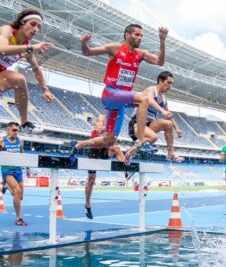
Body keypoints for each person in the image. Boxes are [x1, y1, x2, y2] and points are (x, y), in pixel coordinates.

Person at [69, 24, 168, 163]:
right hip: (110, 93)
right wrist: (84, 43)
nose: (140, 38)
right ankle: (141, 141)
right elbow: (88, 52)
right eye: (137, 34)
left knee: (109, 140)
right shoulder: (114, 48)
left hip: (121, 102)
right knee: (143, 100)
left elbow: (160, 62)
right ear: (127, 35)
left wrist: (162, 40)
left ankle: (78, 145)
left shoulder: (140, 54)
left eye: (141, 36)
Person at [0, 8, 54, 134]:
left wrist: (45, 89)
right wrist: (31, 48)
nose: (36, 29)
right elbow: (1, 49)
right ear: (22, 23)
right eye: (33, 24)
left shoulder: (26, 45)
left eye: (39, 27)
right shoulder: (7, 30)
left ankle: (25, 123)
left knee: (19, 79)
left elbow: (36, 68)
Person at [127, 70, 184, 162]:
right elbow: (150, 100)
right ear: (161, 81)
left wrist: (176, 128)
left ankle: (171, 154)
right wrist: (162, 111)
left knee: (168, 124)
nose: (170, 86)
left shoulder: (164, 100)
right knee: (153, 138)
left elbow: (169, 115)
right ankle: (132, 150)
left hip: (149, 124)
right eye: (168, 82)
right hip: (136, 124)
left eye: (171, 84)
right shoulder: (151, 90)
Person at [85, 114, 126, 219]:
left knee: (116, 148)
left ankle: (125, 168)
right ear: (96, 123)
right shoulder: (97, 128)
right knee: (91, 180)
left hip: (104, 152)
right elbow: (100, 128)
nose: (104, 123)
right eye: (101, 121)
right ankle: (87, 204)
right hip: (93, 153)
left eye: (105, 121)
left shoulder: (108, 130)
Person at [0, 122, 30, 226]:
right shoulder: (1, 140)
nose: (16, 132)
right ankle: (18, 218)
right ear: (8, 130)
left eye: (17, 130)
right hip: (7, 170)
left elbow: (22, 153)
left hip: (17, 170)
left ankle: (6, 186)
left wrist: (27, 168)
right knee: (17, 191)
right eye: (14, 130)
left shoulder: (20, 140)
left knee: (19, 196)